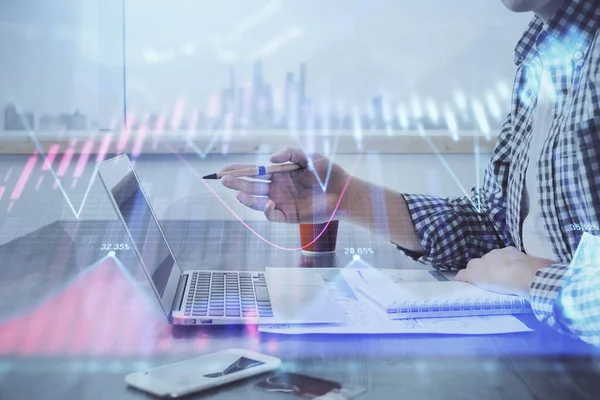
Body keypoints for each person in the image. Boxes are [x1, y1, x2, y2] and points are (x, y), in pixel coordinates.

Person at [219, 0, 600, 345]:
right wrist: (346, 196)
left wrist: (536, 284)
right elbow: (494, 232)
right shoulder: (542, 55)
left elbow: (516, 269)